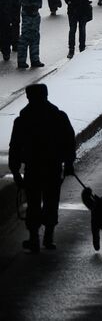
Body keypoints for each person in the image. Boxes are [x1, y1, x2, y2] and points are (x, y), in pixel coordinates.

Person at [9, 84, 76, 253]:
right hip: (53, 167)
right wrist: (68, 164)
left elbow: (15, 147)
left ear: (28, 97)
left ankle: (34, 238)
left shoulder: (22, 120)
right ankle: (49, 237)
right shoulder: (58, 116)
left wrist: (16, 170)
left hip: (33, 168)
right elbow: (69, 141)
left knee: (33, 203)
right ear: (46, 95)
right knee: (51, 201)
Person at [17, 0, 45, 69]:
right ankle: (22, 60)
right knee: (26, 37)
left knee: (35, 36)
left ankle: (35, 59)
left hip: (33, 10)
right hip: (28, 10)